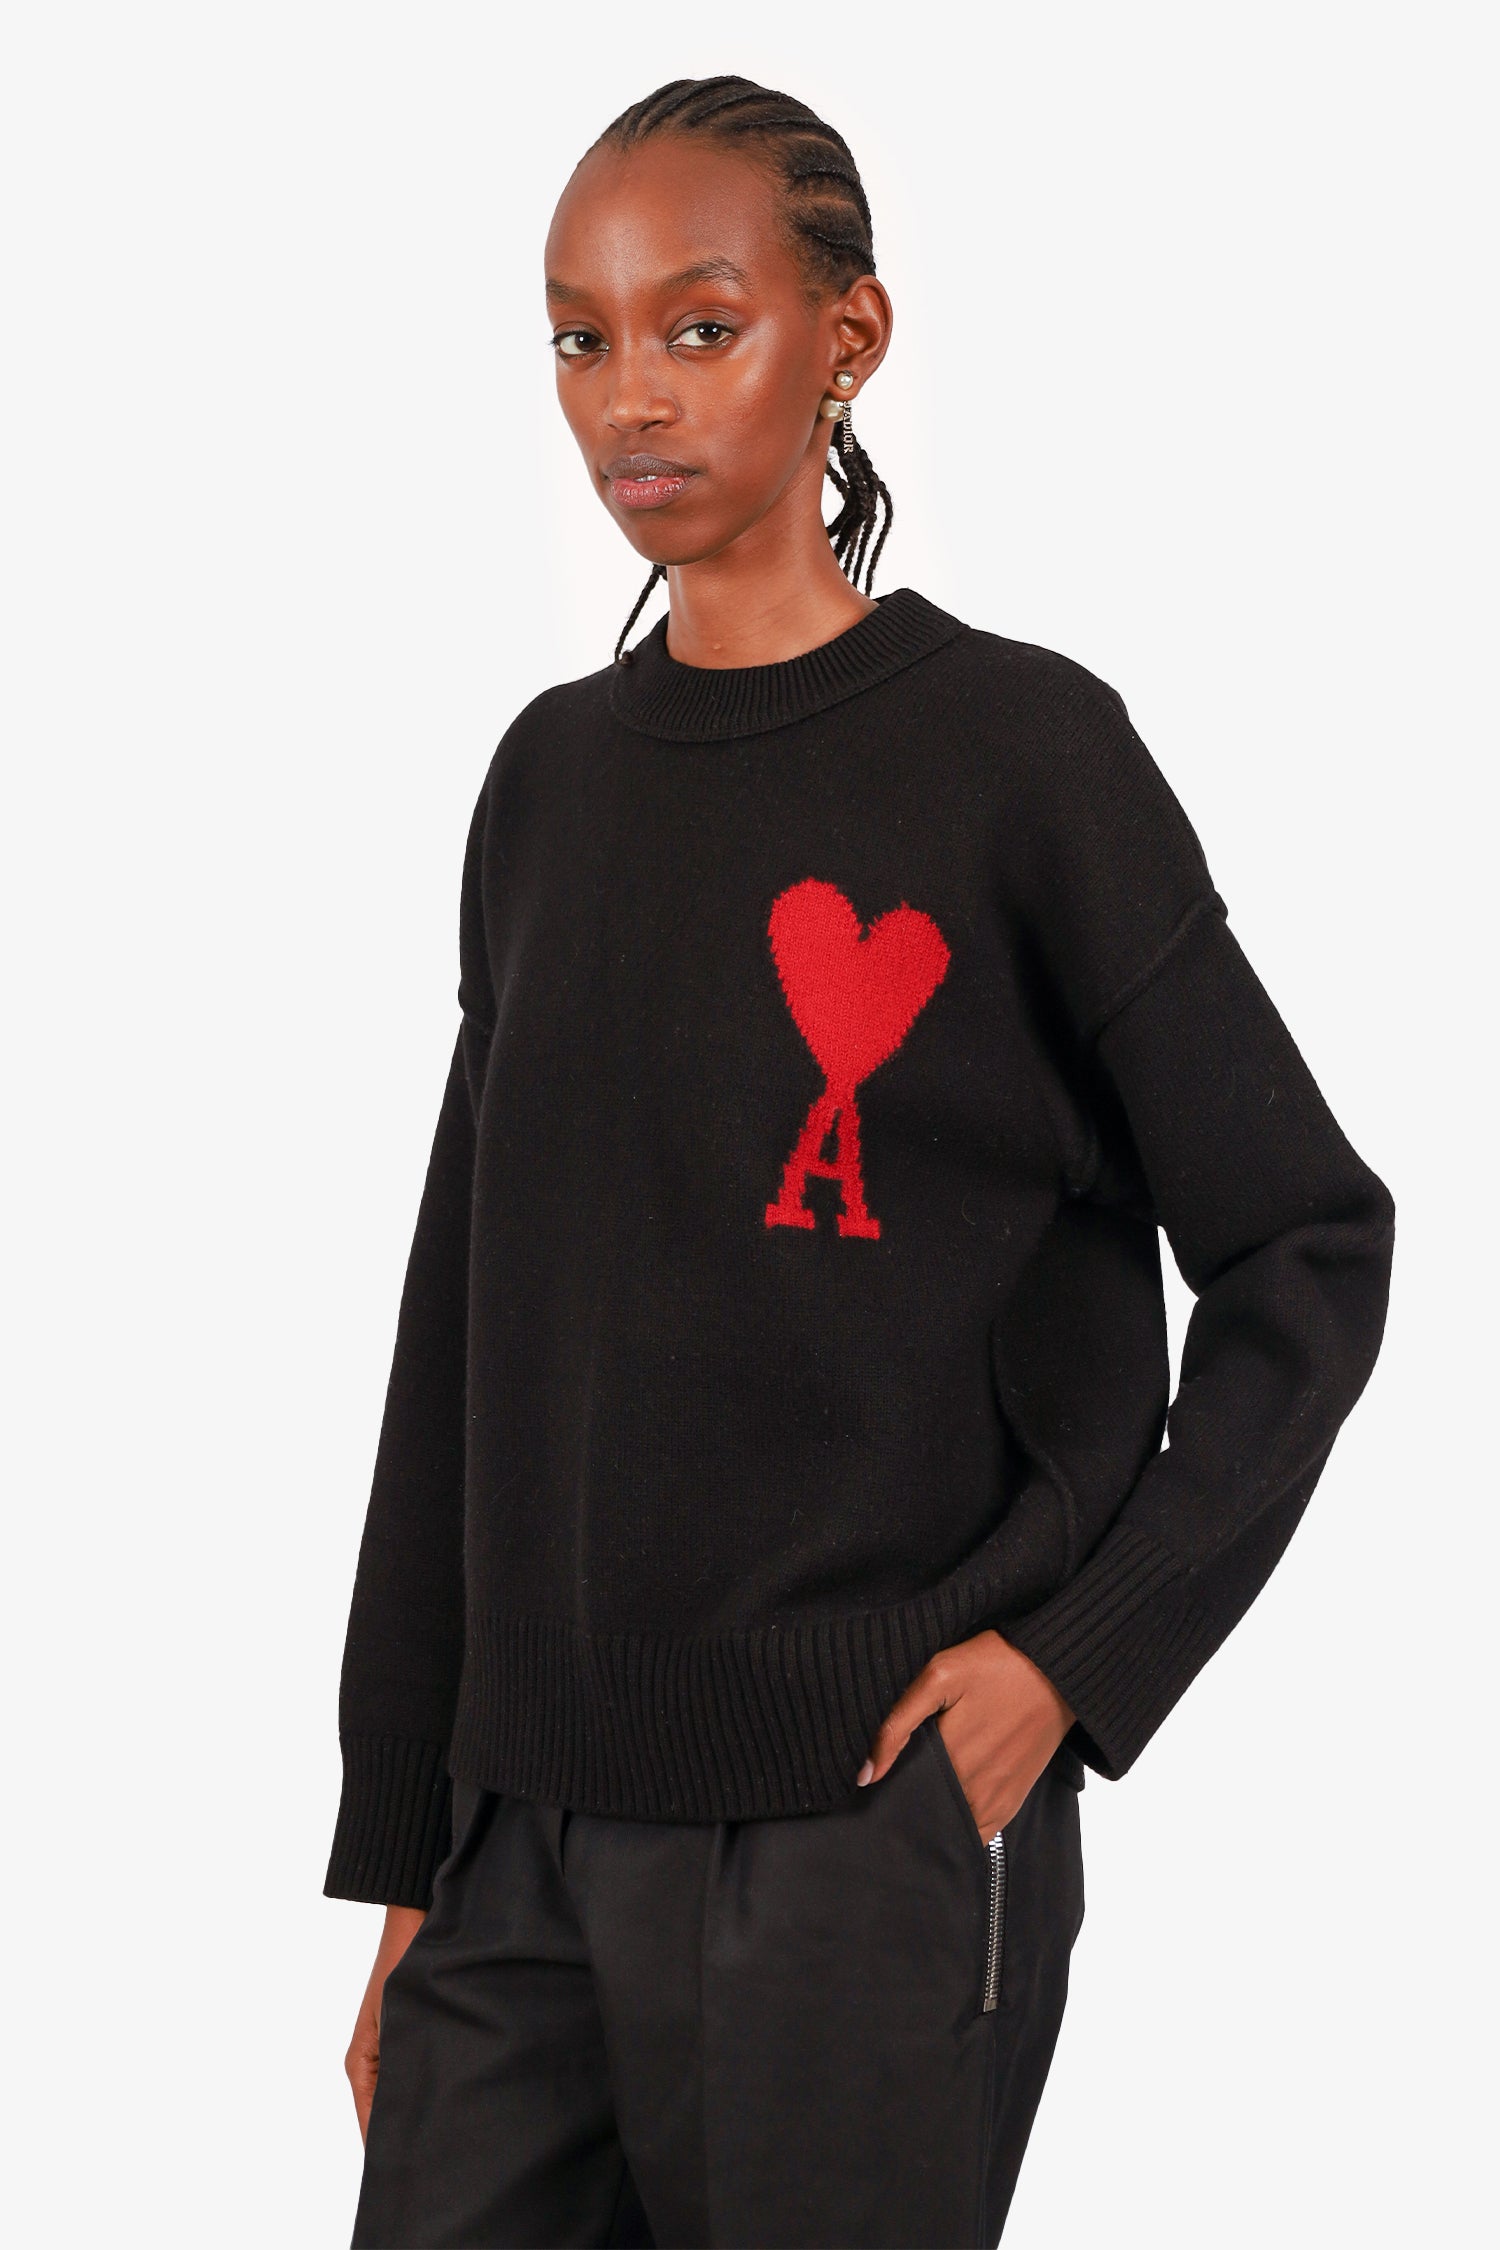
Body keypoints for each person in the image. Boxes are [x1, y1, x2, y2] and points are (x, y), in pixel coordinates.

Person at [323, 76, 1396, 2250]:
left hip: (861, 1832)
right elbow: (465, 1327)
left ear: (851, 336)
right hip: (522, 1840)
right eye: (580, 337)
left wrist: (1075, 1661)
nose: (629, 394)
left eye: (699, 326)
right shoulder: (546, 784)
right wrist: (410, 1851)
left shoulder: (1022, 757)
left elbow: (1306, 1239)